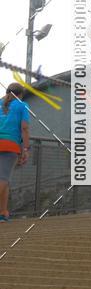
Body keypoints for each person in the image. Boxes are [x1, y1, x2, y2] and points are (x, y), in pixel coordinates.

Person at [0, 83, 30, 221]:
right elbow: (24, 128)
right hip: (10, 145)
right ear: (20, 95)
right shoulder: (22, 105)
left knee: (5, 180)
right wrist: (25, 149)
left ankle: (3, 213)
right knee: (3, 179)